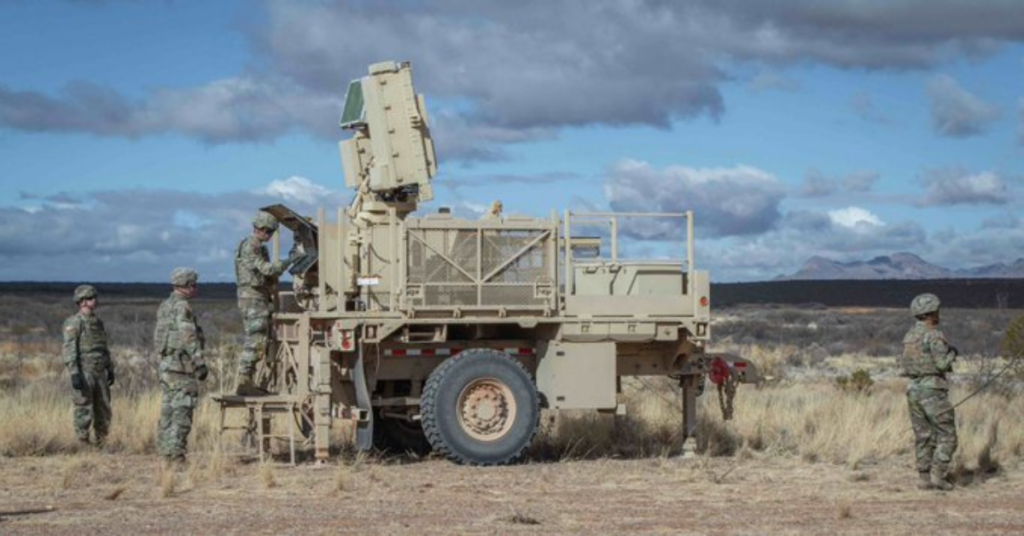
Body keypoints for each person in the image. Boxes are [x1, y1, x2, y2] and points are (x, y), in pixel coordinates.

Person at [234, 210, 298, 395]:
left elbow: (268, 275)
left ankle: (249, 381)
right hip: (253, 297)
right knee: (255, 339)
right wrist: (291, 260)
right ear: (261, 229)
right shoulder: (251, 245)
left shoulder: (257, 246)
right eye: (269, 232)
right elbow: (267, 270)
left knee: (260, 338)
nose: (270, 236)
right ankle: (244, 381)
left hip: (257, 296)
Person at [900, 293, 958, 491]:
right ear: (931, 312)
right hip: (932, 390)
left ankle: (923, 477)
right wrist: (952, 354)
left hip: (913, 390)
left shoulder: (909, 336)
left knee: (923, 434)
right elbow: (941, 363)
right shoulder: (933, 334)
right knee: (948, 435)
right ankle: (937, 476)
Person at [154, 267, 208, 465]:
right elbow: (188, 336)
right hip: (181, 368)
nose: (196, 288)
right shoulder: (182, 307)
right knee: (182, 411)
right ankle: (176, 456)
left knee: (167, 411)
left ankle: (165, 452)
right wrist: (199, 362)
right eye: (194, 285)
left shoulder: (165, 305)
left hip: (167, 365)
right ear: (186, 286)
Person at [62, 284, 114, 446]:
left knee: (104, 407)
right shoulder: (74, 322)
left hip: (99, 371)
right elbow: (69, 347)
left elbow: (104, 348)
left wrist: (110, 369)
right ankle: (83, 442)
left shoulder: (97, 322)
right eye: (91, 298)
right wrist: (74, 372)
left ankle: (101, 441)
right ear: (82, 301)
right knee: (84, 407)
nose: (95, 300)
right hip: (84, 370)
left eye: (95, 297)